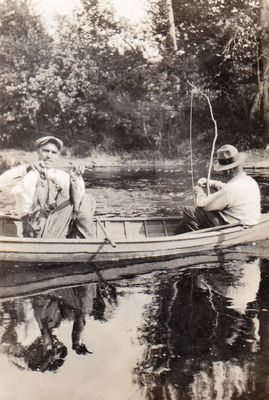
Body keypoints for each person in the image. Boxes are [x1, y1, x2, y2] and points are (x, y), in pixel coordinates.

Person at [0, 135, 96, 238]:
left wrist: (77, 174)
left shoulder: (61, 175)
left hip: (53, 222)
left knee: (88, 199)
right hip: (33, 225)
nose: (49, 156)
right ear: (38, 151)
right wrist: (27, 168)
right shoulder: (25, 173)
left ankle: (82, 239)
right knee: (87, 200)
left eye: (53, 152)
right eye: (46, 151)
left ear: (58, 155)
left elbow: (78, 193)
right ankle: (86, 242)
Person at [176, 144, 261, 234]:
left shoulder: (230, 189)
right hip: (247, 221)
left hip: (232, 225)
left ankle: (193, 238)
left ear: (228, 170)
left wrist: (199, 192)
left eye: (223, 170)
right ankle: (178, 235)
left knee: (189, 211)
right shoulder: (250, 181)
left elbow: (204, 205)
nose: (223, 173)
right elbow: (231, 188)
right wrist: (212, 183)